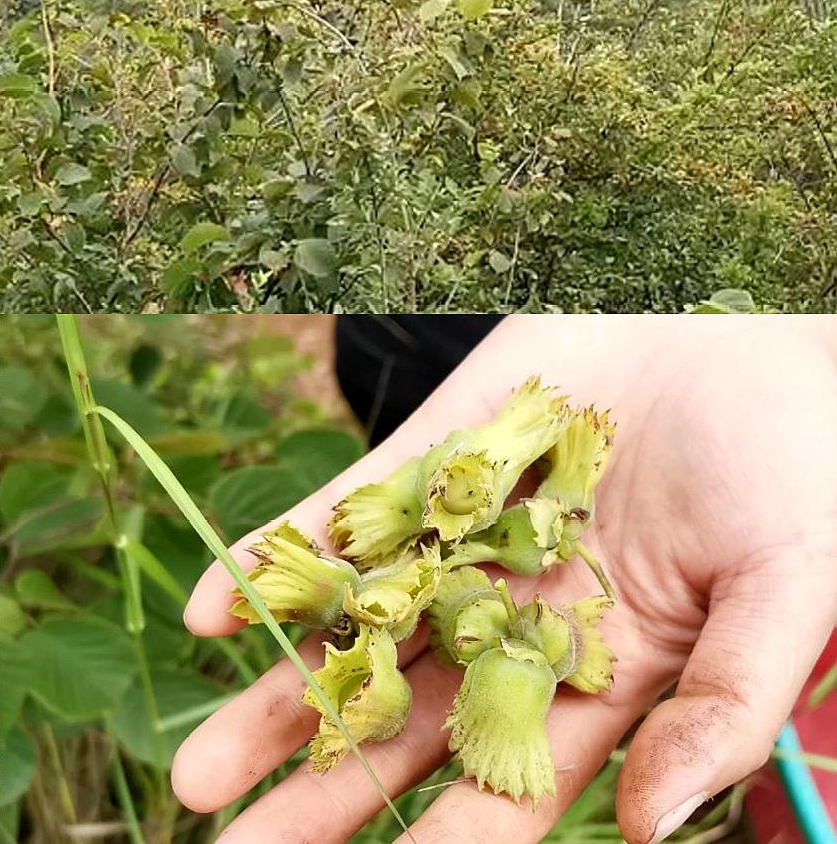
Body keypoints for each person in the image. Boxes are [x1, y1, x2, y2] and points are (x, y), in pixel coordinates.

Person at [173, 314, 837, 844]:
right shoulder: (476, 531)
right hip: (424, 346)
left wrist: (802, 339)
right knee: (386, 364)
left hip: (551, 392)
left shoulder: (523, 535)